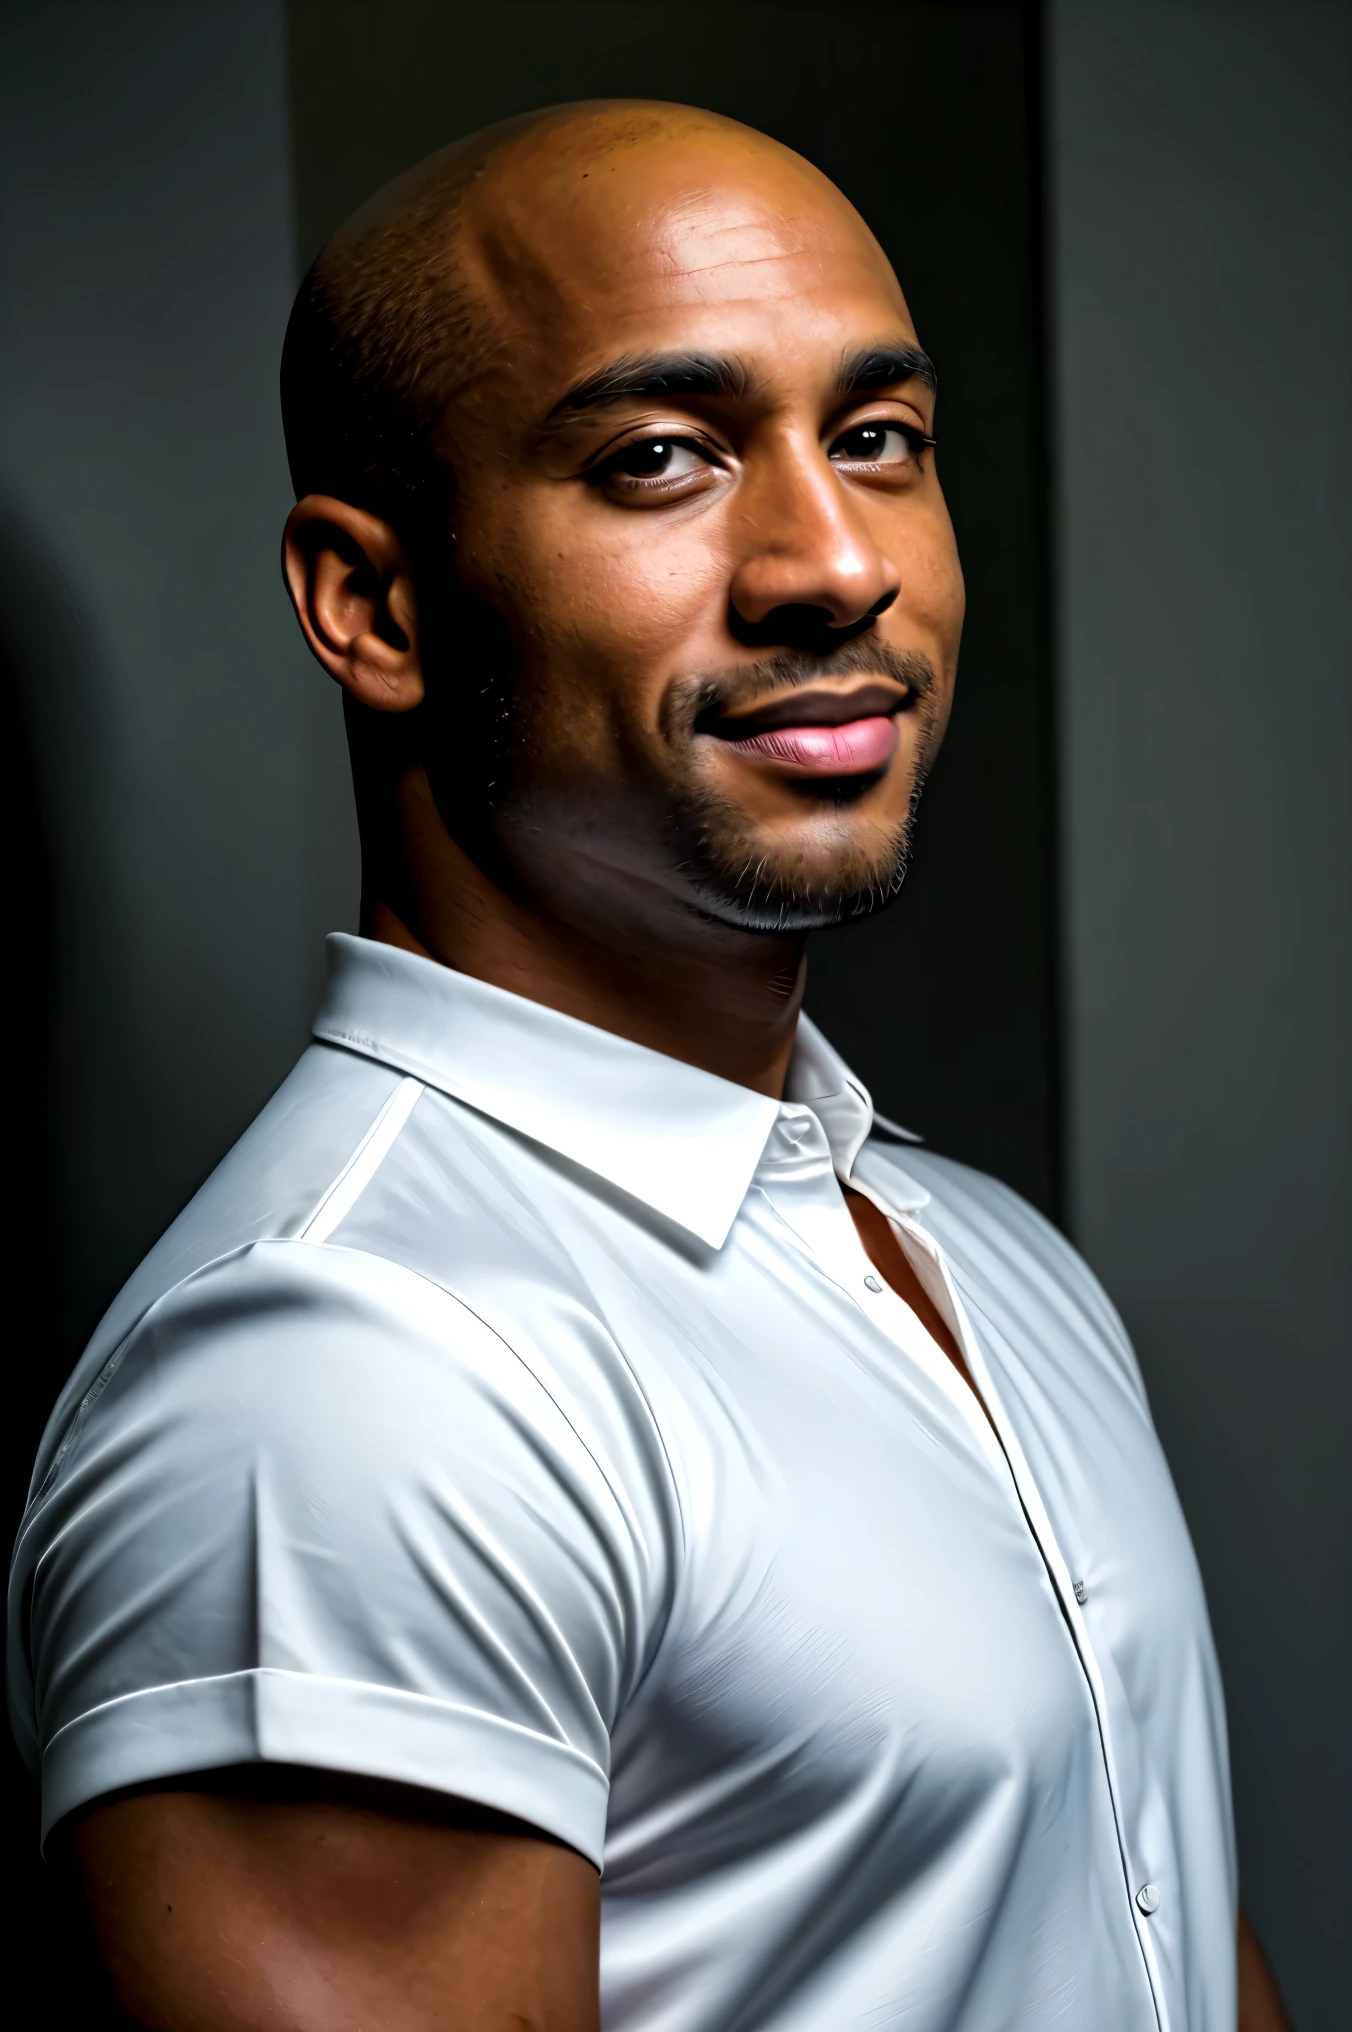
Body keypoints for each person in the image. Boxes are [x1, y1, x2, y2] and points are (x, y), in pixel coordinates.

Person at [7, 101, 1289, 2032]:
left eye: (876, 440)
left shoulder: (984, 1255)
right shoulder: (352, 1379)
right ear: (376, 605)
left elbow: (1156, 1944)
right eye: (662, 460)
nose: (831, 562)